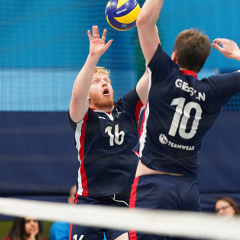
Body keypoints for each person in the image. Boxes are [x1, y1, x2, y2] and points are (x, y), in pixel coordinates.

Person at [128, 0, 240, 239]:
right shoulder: (214, 90)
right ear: (202, 62)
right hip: (188, 190)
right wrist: (237, 54)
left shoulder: (163, 73)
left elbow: (144, 21)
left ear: (174, 55)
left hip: (152, 187)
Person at [68, 25, 148, 240]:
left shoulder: (127, 107)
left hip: (124, 202)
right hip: (89, 202)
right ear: (88, 95)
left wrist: (148, 29)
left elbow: (150, 76)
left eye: (107, 81)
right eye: (97, 82)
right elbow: (77, 94)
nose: (104, 83)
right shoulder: (84, 117)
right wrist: (93, 56)